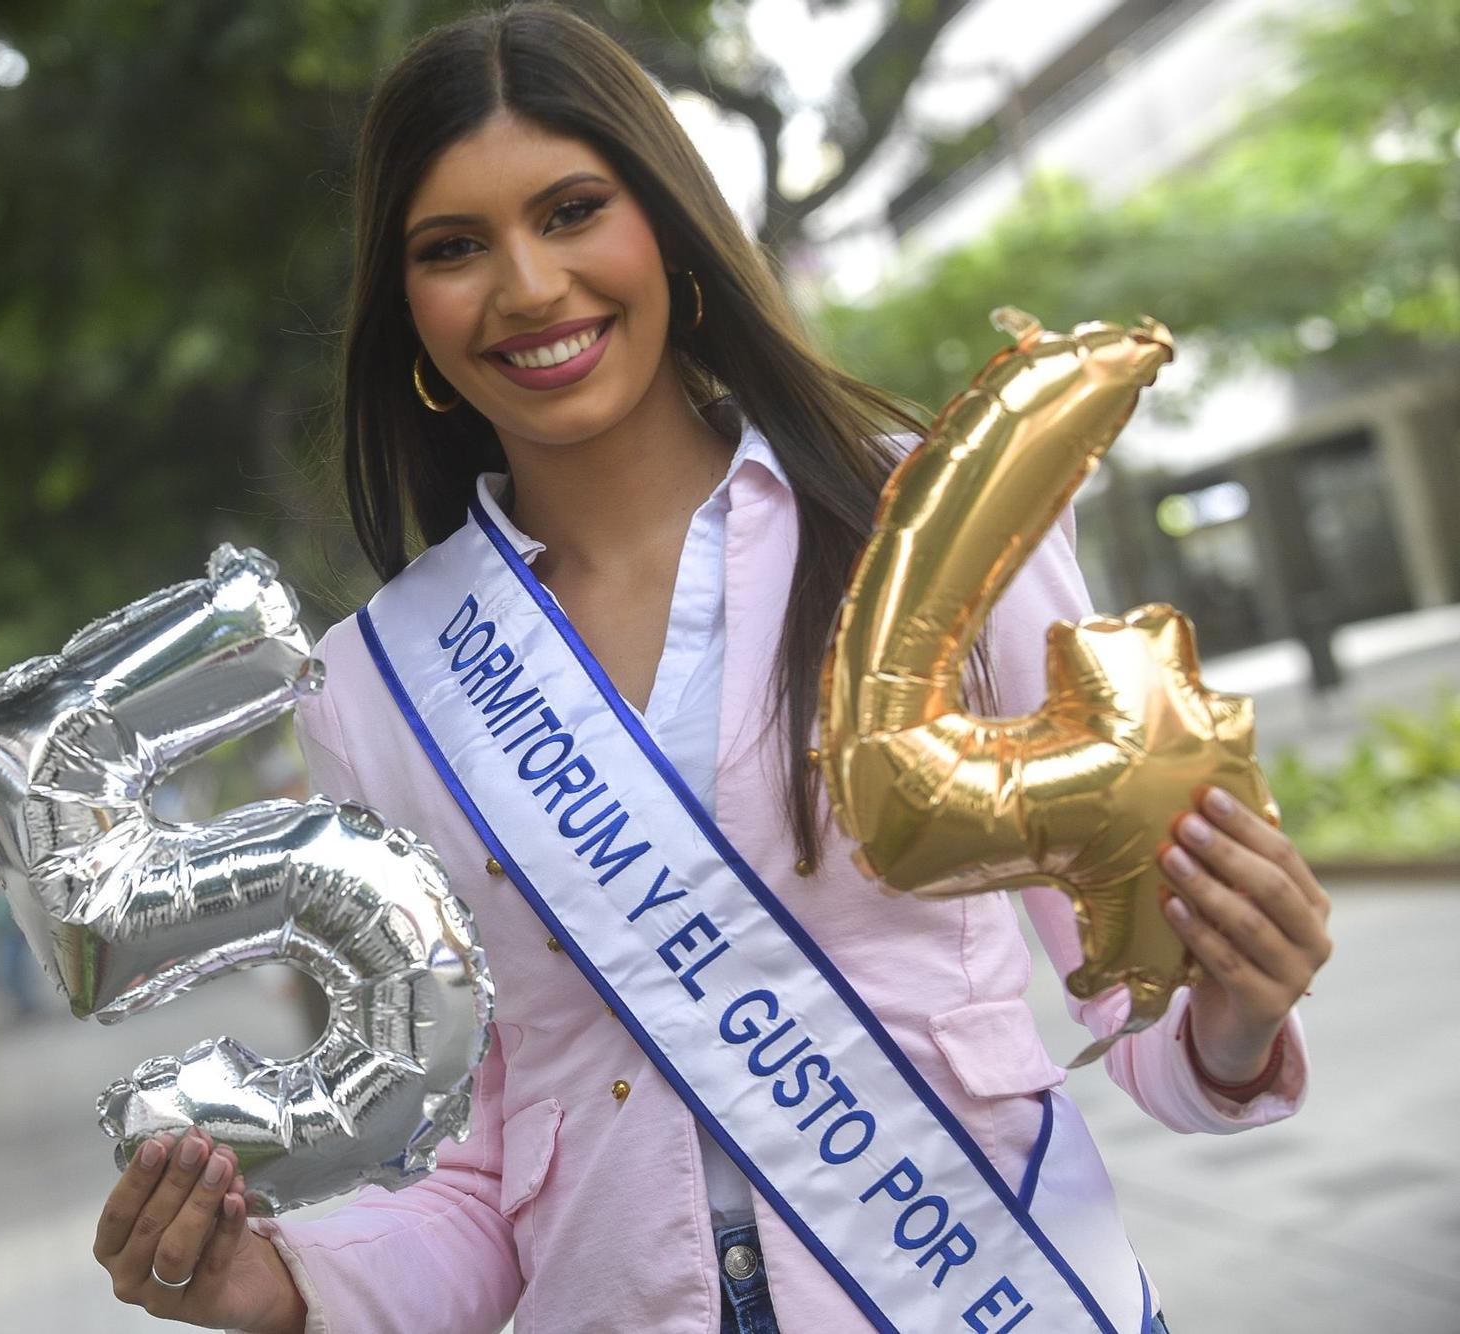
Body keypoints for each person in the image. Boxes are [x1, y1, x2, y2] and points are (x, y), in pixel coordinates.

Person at [90, 7, 1331, 1331]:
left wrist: (1234, 1011)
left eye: (573, 210)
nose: (525, 286)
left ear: (669, 230)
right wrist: (282, 1283)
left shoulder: (919, 517)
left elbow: (1132, 981)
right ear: (409, 310)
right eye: (453, 248)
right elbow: (481, 1171)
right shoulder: (375, 692)